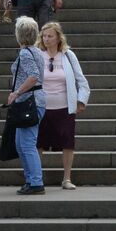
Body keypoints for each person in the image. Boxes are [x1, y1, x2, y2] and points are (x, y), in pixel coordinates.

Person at [37, 22, 89, 190]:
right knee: (39, 143)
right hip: (42, 107)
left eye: (50, 36)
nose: (46, 39)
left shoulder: (68, 55)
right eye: (44, 36)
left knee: (67, 142)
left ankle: (66, 178)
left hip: (64, 107)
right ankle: (36, 177)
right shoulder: (38, 55)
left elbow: (81, 80)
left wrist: (81, 100)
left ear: (58, 37)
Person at [8, 16, 48, 195]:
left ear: (19, 35)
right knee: (20, 143)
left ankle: (36, 182)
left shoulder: (25, 53)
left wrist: (17, 93)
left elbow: (33, 77)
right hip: (34, 101)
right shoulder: (37, 51)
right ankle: (31, 179)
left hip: (29, 102)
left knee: (27, 144)